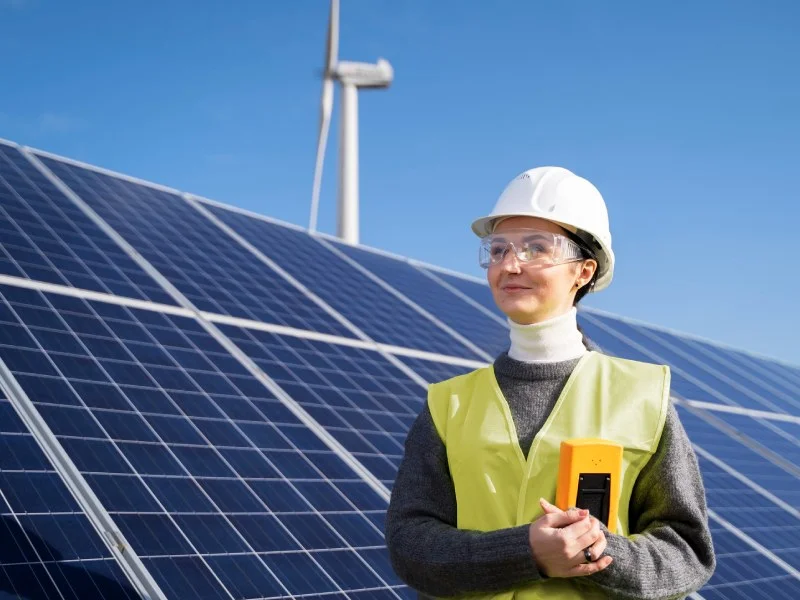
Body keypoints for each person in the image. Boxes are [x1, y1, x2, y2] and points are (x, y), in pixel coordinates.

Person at [385, 166, 716, 599]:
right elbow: (411, 545)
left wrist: (597, 552)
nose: (510, 264)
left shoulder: (641, 396)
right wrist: (526, 553)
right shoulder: (449, 404)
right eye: (498, 249)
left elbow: (687, 551)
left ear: (583, 272)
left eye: (536, 248)